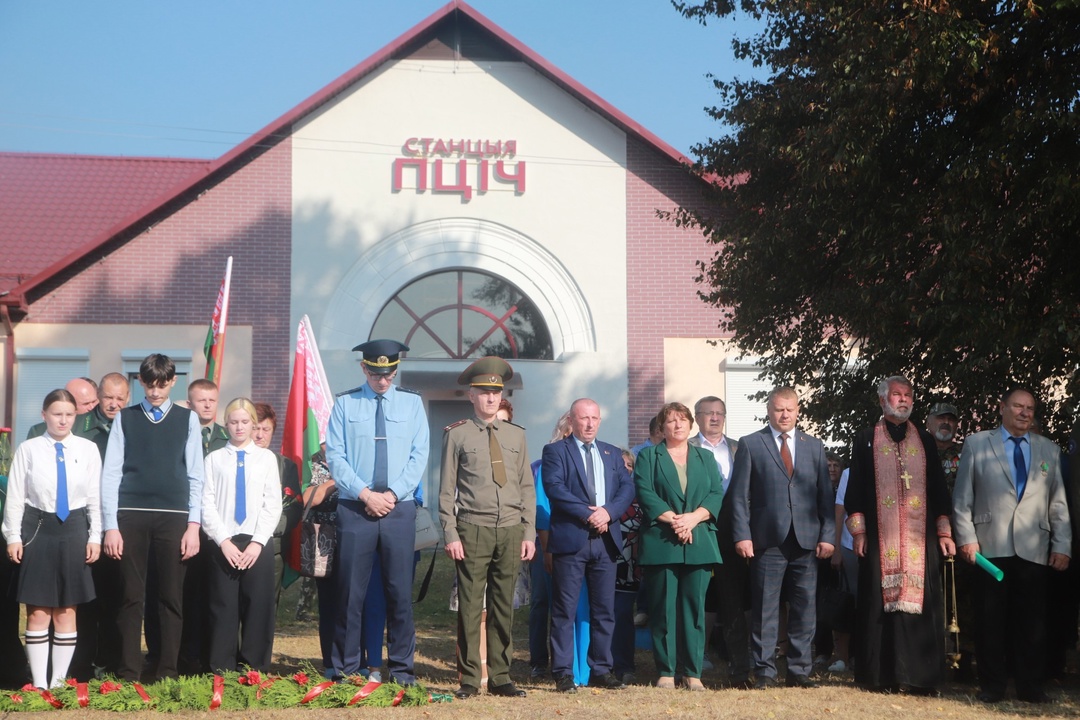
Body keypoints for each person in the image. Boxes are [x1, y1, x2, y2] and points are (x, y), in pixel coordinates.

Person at [952, 386, 1071, 704]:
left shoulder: (1049, 450)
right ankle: (992, 686)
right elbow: (962, 497)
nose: (1024, 413)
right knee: (991, 620)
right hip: (990, 547)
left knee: (1032, 622)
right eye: (1018, 406)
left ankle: (1030, 686)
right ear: (1002, 408)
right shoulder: (978, 443)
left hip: (1034, 547)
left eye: (1030, 408)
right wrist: (966, 538)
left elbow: (1057, 503)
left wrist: (1062, 544)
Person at [843, 376, 955, 693]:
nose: (903, 400)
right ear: (883, 400)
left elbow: (938, 491)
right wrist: (859, 533)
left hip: (922, 542)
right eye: (896, 394)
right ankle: (882, 677)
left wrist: (945, 533)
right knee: (878, 606)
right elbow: (855, 491)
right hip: (881, 540)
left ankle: (922, 677)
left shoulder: (926, 440)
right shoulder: (865, 438)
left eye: (907, 395)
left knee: (923, 603)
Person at [325, 339, 427, 685]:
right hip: (355, 507)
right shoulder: (344, 403)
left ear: (396, 371)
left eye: (388, 374)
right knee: (350, 591)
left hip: (399, 509)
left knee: (399, 592)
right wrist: (366, 494)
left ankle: (401, 670)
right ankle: (346, 668)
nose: (382, 380)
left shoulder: (413, 404)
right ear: (363, 368)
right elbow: (336, 458)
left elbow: (419, 456)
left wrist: (393, 494)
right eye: (375, 373)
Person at [101, 353, 204, 682]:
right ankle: (129, 671)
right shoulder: (125, 418)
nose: (156, 391)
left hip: (175, 517)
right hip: (131, 515)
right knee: (131, 597)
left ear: (173, 382)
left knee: (170, 597)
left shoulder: (187, 420)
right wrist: (110, 525)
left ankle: (167, 672)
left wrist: (193, 526)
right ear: (140, 382)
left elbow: (196, 476)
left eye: (162, 384)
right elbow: (111, 473)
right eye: (149, 384)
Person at [439, 357, 534, 700]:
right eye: (484, 392)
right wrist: (450, 533)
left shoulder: (516, 435)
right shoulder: (457, 434)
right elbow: (447, 491)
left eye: (496, 391)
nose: (491, 398)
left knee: (503, 605)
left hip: (510, 530)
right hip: (472, 529)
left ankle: (501, 676)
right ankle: (468, 678)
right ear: (471, 395)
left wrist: (529, 533)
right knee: (469, 606)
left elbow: (526, 487)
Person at [728, 386, 835, 689]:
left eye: (790, 408)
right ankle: (765, 671)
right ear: (769, 410)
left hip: (806, 541)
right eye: (778, 409)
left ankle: (799, 671)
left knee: (804, 608)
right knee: (765, 608)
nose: (784, 414)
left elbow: (825, 496)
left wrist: (828, 535)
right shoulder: (751, 444)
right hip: (766, 540)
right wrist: (742, 535)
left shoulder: (813, 446)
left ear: (798, 410)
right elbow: (738, 497)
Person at [3, 389, 102, 689]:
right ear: (44, 414)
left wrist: (95, 535)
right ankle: (40, 684)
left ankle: (58, 683)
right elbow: (16, 497)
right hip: (37, 529)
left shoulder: (88, 449)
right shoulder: (29, 449)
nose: (63, 420)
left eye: (69, 415)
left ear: (76, 416)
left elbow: (96, 497)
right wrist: (12, 536)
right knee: (37, 610)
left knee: (67, 609)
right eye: (57, 414)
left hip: (74, 527)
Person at [543, 398, 635, 693]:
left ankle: (601, 669)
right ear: (571, 420)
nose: (589, 423)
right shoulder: (556, 451)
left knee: (604, 609)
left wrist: (608, 513)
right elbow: (555, 489)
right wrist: (589, 513)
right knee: (564, 609)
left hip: (606, 540)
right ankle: (562, 672)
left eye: (594, 418)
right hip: (572, 538)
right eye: (583, 418)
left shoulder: (610, 453)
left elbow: (627, 487)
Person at [634, 402, 724, 690]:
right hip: (662, 541)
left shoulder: (705, 458)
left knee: (694, 610)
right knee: (663, 609)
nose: (677, 425)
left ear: (690, 424)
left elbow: (716, 493)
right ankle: (666, 670)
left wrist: (693, 519)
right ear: (662, 427)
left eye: (682, 420)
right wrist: (677, 522)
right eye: (671, 421)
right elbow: (645, 493)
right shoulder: (649, 457)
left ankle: (693, 672)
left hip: (699, 542)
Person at [201, 398, 282, 672]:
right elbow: (206, 503)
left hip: (256, 543)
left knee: (257, 608)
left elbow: (272, 504)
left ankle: (253, 669)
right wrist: (222, 541)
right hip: (223, 543)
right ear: (226, 424)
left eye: (245, 422)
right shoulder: (214, 460)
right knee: (222, 609)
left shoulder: (266, 459)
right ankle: (221, 670)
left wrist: (258, 542)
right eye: (234, 422)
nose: (239, 427)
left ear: (252, 424)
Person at [690, 395, 746, 684]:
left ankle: (736, 657)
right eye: (708, 413)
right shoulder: (686, 448)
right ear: (697, 417)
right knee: (699, 595)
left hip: (734, 531)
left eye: (719, 413)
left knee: (732, 595)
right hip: (698, 528)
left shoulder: (739, 448)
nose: (715, 418)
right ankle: (696, 654)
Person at [528, 411, 572, 679]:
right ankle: (538, 661)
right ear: (566, 431)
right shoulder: (547, 463)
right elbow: (541, 509)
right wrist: (546, 550)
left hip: (572, 544)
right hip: (548, 542)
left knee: (564, 604)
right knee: (542, 602)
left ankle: (564, 660)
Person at [611, 449, 643, 685]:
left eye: (630, 465)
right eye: (622, 465)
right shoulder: (605, 495)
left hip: (630, 568)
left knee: (622, 615)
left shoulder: (640, 495)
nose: (627, 469)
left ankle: (624, 666)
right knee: (601, 615)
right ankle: (601, 663)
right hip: (603, 565)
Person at [25, 377, 101, 439]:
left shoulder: (101, 428)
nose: (92, 407)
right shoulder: (39, 431)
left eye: (94, 401)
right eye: (86, 404)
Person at [926, 403, 962, 494]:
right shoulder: (919, 452)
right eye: (941, 418)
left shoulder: (966, 453)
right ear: (928, 424)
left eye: (951, 419)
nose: (946, 422)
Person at [189, 379, 229, 456]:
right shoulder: (181, 435)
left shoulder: (228, 436)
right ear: (189, 404)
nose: (208, 405)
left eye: (212, 400)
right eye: (202, 400)